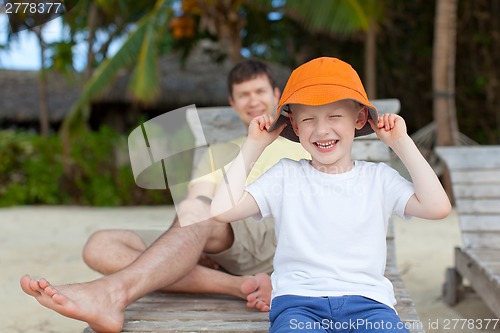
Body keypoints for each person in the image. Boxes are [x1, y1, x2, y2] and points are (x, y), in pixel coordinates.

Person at [20, 60, 309, 333]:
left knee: (199, 213)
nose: (253, 100)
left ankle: (113, 292)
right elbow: (197, 201)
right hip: (224, 238)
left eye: (259, 91)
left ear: (276, 94)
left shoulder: (305, 143)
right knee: (100, 245)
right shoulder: (216, 152)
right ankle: (237, 285)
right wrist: (195, 235)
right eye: (243, 95)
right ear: (233, 103)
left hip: (273, 234)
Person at [211, 57, 452, 332]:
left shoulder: (378, 178)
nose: (322, 130)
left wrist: (401, 143)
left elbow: (437, 207)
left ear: (359, 118)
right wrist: (254, 145)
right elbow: (221, 210)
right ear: (296, 126)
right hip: (298, 305)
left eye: (335, 116)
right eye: (308, 119)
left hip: (369, 305)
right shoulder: (285, 176)